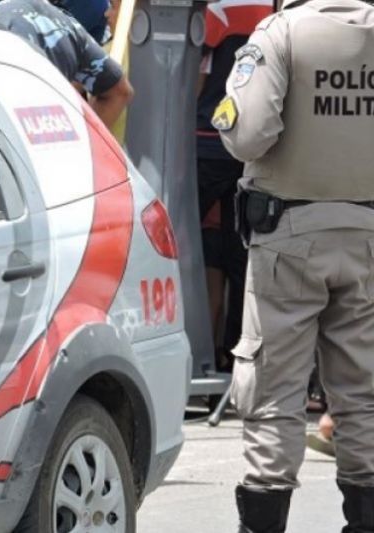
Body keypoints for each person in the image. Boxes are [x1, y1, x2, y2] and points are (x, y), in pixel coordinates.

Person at [215, 0, 374, 530]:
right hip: (367, 236)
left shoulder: (280, 33)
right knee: (363, 394)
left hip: (289, 237)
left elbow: (248, 135)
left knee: (273, 393)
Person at [196, 0, 272, 371]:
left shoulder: (220, 7)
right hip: (249, 144)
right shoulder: (274, 10)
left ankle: (198, 348)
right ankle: (235, 353)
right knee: (241, 253)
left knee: (180, 240)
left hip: (207, 139)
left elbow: (197, 73)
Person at [0, 0, 133, 129]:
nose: (107, 13)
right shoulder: (65, 23)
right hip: (57, 146)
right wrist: (84, 148)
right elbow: (119, 92)